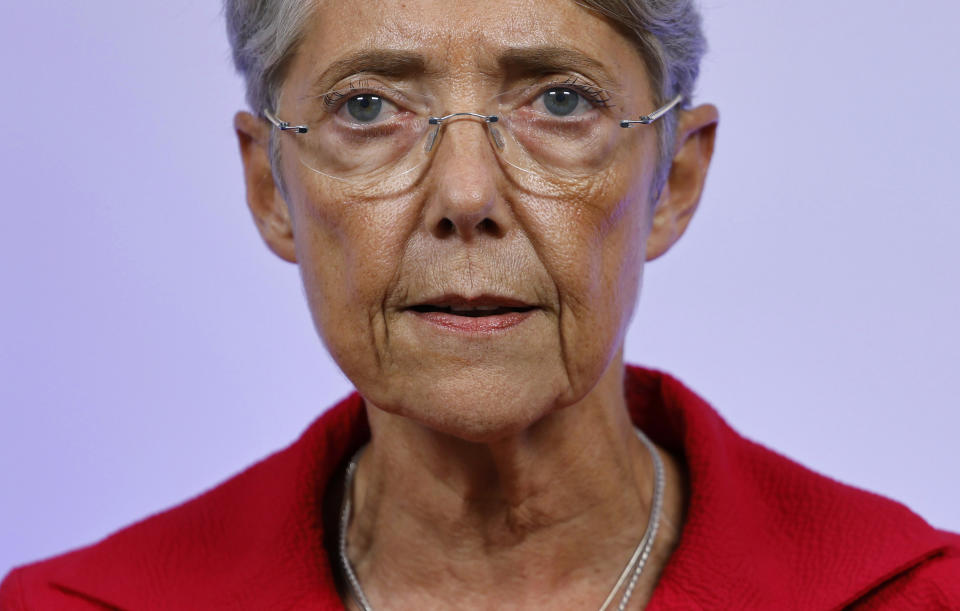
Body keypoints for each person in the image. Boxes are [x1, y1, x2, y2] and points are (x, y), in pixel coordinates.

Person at [2, 0, 958, 608]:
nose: (466, 196)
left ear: (673, 180)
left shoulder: (909, 595)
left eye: (561, 102)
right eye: (369, 106)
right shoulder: (81, 604)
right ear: (271, 188)